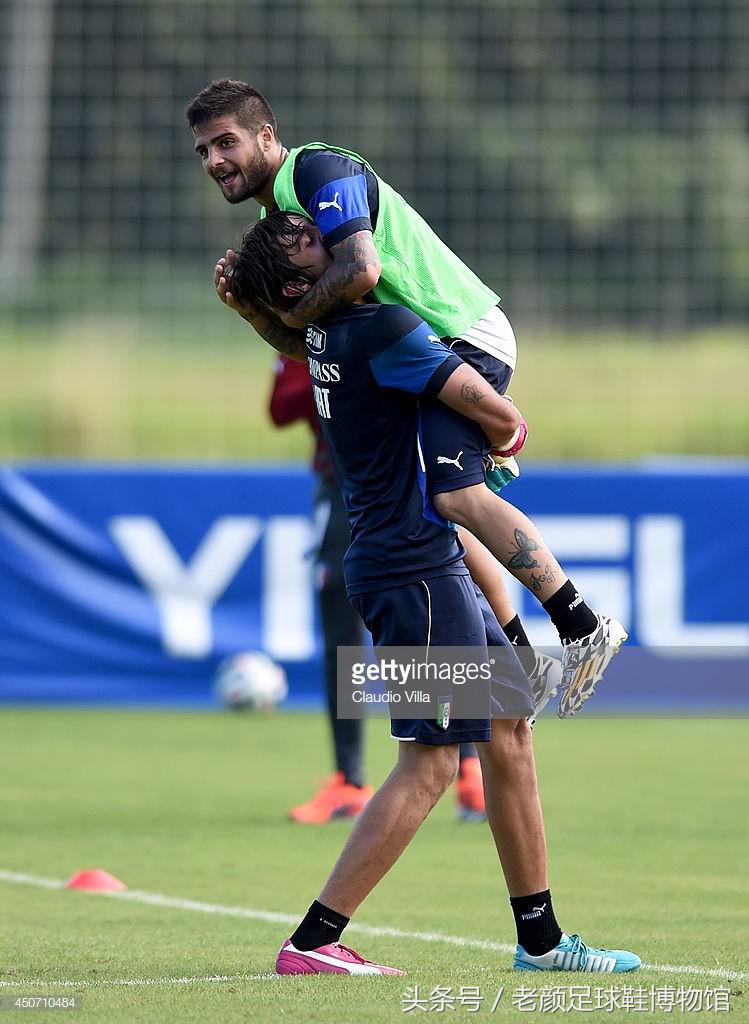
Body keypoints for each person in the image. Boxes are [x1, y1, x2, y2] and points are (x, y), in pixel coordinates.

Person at [230, 211, 641, 975]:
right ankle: (313, 942)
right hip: (414, 575)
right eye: (315, 244)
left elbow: (298, 338)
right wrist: (500, 440)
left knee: (511, 723)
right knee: (430, 763)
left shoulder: (323, 337)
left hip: (414, 565)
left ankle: (541, 942)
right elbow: (499, 413)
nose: (348, 243)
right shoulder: (378, 328)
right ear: (301, 280)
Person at [186, 80, 627, 718]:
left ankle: (581, 627)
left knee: (451, 496)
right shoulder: (273, 222)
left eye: (224, 142)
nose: (214, 161)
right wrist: (255, 311)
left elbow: (360, 271)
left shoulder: (318, 171)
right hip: (418, 355)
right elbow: (317, 345)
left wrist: (301, 316)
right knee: (439, 500)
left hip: (461, 334)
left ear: (265, 135)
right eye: (202, 151)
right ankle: (520, 653)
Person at [269, 358, 487, 821]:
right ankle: (352, 779)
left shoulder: (390, 319)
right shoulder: (306, 324)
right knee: (347, 631)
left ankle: (467, 769)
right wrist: (326, 367)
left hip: (413, 485)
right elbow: (279, 407)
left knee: (438, 619)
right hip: (348, 487)